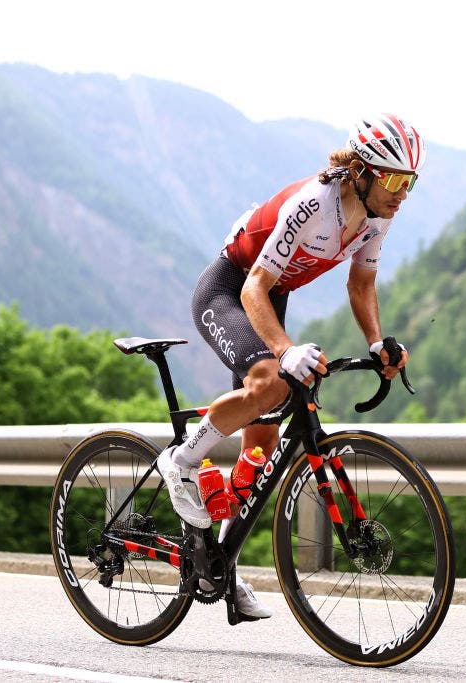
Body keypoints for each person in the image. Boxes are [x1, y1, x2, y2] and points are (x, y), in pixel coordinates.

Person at [158, 113, 423, 619]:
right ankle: (181, 461)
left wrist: (375, 344)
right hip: (231, 289)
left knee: (257, 458)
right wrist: (284, 352)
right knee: (269, 383)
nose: (401, 193)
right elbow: (254, 286)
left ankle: (217, 565)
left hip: (268, 299)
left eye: (409, 181)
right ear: (361, 172)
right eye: (392, 179)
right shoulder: (313, 205)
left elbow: (361, 285)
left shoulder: (378, 215)